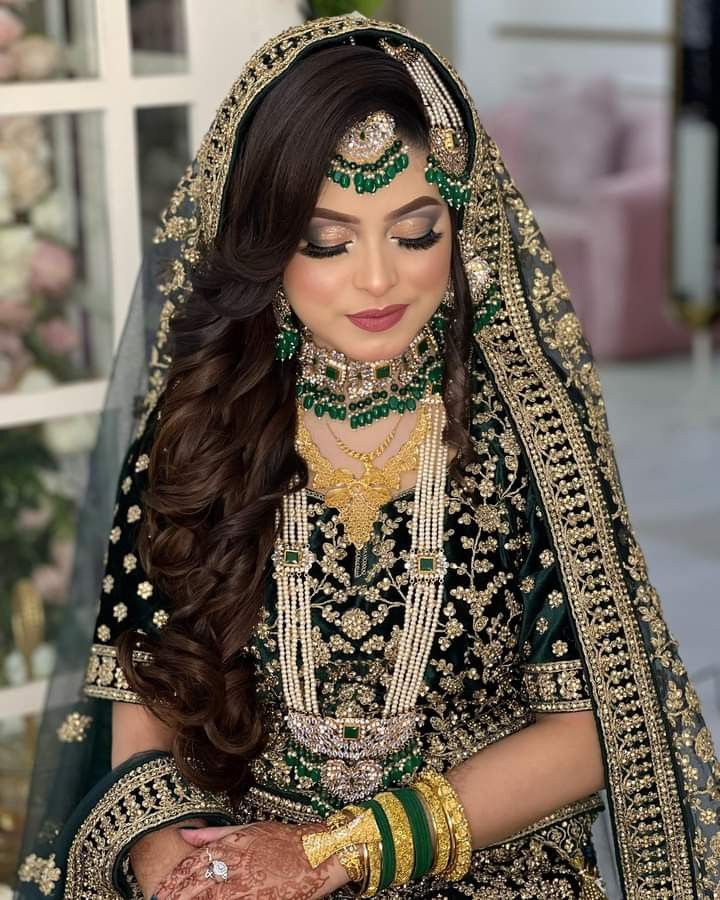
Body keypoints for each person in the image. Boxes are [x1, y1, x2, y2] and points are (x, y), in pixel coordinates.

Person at [14, 12, 719, 900]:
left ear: (462, 227)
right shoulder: (193, 437)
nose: (379, 278)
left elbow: (593, 730)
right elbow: (145, 716)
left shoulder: (527, 440)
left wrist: (342, 852)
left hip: (485, 871)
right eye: (328, 240)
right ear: (269, 245)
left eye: (416, 232)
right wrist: (172, 864)